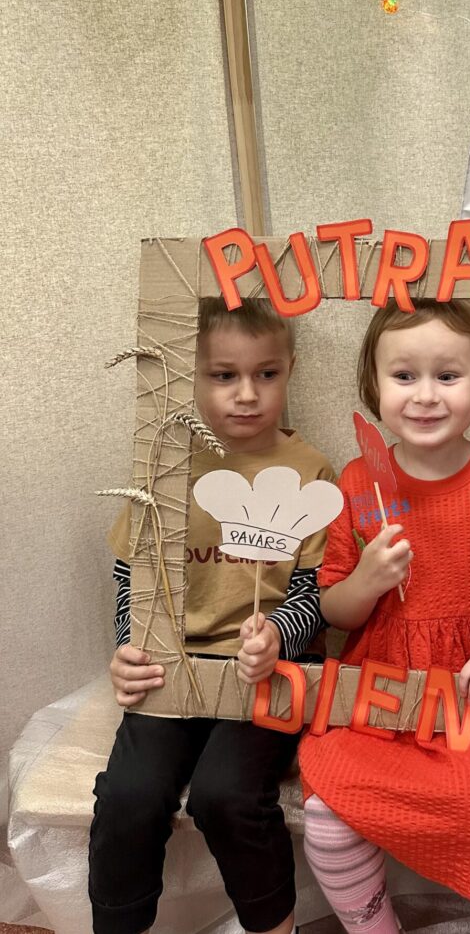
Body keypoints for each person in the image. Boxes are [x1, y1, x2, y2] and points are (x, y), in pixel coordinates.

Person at [299, 300, 470, 934]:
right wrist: (365, 582)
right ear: (374, 385)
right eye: (404, 376)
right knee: (326, 820)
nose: (425, 395)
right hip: (380, 695)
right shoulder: (357, 482)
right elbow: (333, 608)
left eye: (447, 376)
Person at [89, 297, 334, 934]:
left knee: (227, 796)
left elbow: (316, 591)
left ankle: (274, 926)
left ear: (289, 369)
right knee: (128, 795)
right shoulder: (165, 466)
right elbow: (132, 575)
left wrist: (278, 634)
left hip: (267, 672)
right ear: (189, 376)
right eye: (224, 375)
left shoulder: (310, 471)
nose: (247, 394)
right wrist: (129, 647)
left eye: (266, 374)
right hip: (172, 666)